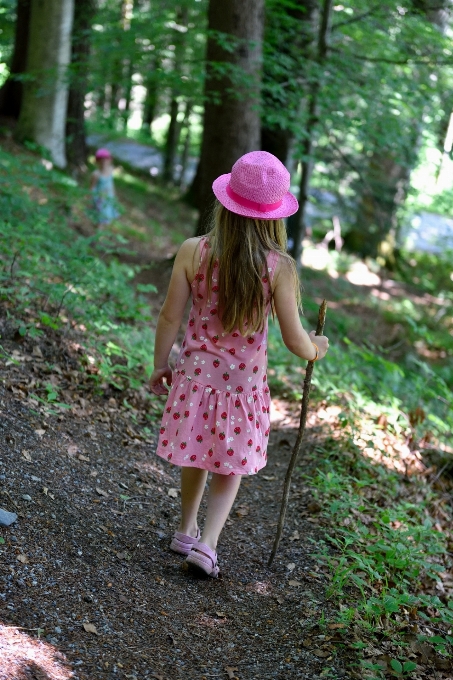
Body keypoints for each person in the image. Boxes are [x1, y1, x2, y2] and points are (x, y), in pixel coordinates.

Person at [149, 151, 329, 578]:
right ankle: (207, 544)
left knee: (195, 454)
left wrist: (160, 363)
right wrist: (316, 348)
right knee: (228, 463)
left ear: (225, 203)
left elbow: (170, 316)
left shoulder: (194, 251)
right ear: (274, 217)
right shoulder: (278, 267)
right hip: (242, 389)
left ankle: (185, 528)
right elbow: (293, 338)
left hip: (193, 377)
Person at [90, 148, 120, 226]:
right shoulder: (96, 174)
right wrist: (92, 199)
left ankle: (102, 235)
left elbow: (111, 184)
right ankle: (97, 235)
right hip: (100, 200)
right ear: (97, 161)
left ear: (109, 160)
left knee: (107, 218)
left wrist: (114, 196)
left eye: (106, 160)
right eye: (101, 160)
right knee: (100, 218)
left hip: (108, 198)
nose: (104, 162)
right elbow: (92, 188)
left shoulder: (110, 170)